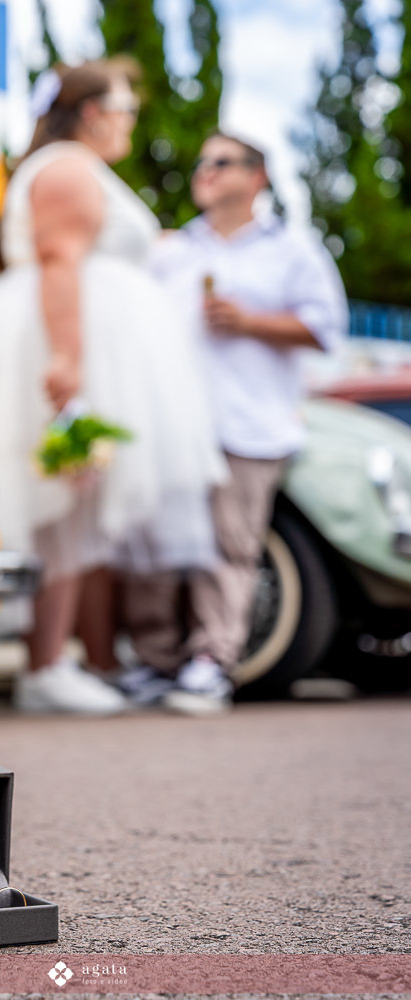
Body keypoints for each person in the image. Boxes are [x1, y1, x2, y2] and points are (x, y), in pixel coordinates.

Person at [0, 61, 225, 714]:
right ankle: (44, 666)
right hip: (61, 344)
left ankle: (67, 660)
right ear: (94, 112)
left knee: (74, 506)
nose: (129, 123)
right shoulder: (67, 169)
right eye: (125, 110)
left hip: (86, 344)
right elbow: (61, 262)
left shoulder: (70, 168)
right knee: (61, 501)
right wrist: (68, 361)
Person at [122, 130, 349, 715]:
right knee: (158, 544)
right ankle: (156, 661)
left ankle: (211, 662)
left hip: (249, 423)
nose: (205, 173)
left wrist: (251, 322)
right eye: (201, 163)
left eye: (220, 163)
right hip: (173, 426)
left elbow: (326, 327)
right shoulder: (175, 249)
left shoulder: (292, 249)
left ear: (257, 176)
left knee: (229, 547)